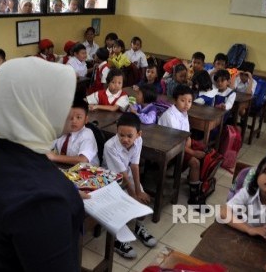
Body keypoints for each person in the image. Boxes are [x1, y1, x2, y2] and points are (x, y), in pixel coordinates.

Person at [0, 57, 84, 271]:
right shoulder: (42, 202)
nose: (69, 111)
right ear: (35, 106)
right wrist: (56, 203)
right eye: (63, 101)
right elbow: (33, 203)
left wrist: (64, 194)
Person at [103, 113, 157, 259]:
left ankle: (139, 228)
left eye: (129, 136)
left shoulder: (138, 141)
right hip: (110, 179)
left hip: (126, 174)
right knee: (122, 206)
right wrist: (133, 196)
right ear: (116, 131)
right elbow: (122, 176)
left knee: (143, 200)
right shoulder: (110, 146)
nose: (125, 139)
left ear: (138, 134)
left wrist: (139, 191)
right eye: (121, 135)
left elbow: (134, 165)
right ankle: (118, 240)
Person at [220, 154, 266, 241]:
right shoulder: (249, 191)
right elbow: (223, 212)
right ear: (257, 175)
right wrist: (249, 229)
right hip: (242, 235)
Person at [158, 85, 206, 205]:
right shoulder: (170, 116)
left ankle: (196, 180)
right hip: (169, 149)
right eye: (183, 100)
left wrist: (189, 141)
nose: (186, 104)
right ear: (175, 100)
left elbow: (185, 134)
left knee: (207, 151)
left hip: (181, 145)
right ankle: (194, 195)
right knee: (195, 161)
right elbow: (175, 143)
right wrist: (192, 152)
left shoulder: (183, 113)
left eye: (189, 101)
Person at [48, 100, 99, 166]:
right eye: (70, 117)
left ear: (86, 119)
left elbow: (83, 160)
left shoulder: (87, 134)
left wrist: (54, 157)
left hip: (87, 172)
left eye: (78, 117)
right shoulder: (61, 130)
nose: (74, 121)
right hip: (66, 168)